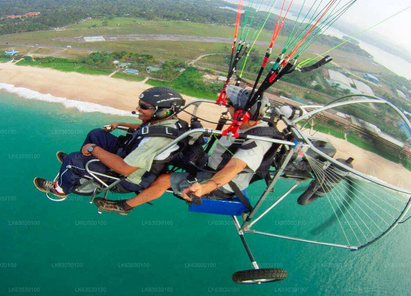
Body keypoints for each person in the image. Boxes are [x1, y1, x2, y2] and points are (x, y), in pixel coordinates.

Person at [94, 85, 273, 215]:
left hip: (222, 181)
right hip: (211, 163)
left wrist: (205, 187)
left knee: (164, 180)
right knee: (175, 149)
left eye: (230, 105)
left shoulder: (257, 142)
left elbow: (234, 168)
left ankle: (125, 206)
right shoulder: (250, 122)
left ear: (243, 114)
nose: (227, 108)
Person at [33, 87, 187, 198]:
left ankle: (61, 189)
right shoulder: (169, 122)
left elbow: (125, 169)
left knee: (71, 159)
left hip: (127, 177)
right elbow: (146, 129)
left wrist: (93, 148)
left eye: (144, 107)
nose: (137, 108)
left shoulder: (157, 141)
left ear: (162, 111)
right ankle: (83, 164)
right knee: (97, 134)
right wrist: (120, 124)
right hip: (130, 154)